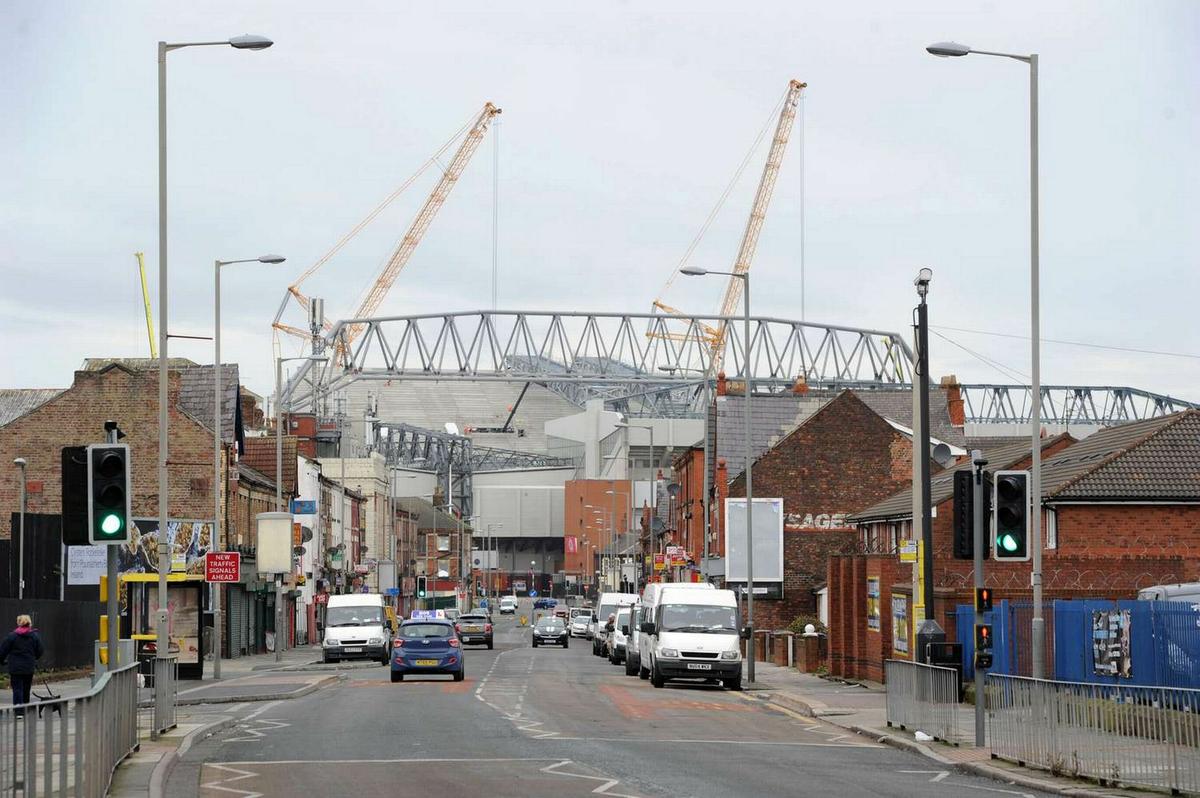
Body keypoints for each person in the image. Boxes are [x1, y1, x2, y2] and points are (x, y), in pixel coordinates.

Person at [0, 614, 44, 716]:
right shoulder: (34, 636)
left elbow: (3, 651)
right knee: (26, 688)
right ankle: (25, 708)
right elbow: (40, 650)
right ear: (30, 623)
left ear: (19, 623)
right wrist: (33, 658)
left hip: (15, 667)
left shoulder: (12, 636)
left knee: (17, 689)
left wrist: (2, 661)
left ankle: (18, 711)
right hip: (29, 666)